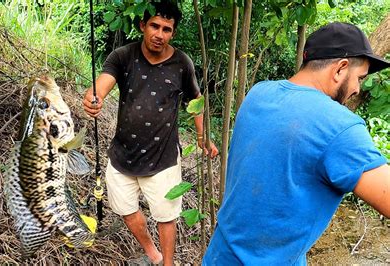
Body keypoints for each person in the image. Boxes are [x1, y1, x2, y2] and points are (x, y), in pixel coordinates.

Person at [203, 22, 390, 265]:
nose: (356, 89)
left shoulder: (258, 93)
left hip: (219, 257)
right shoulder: (339, 125)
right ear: (340, 69)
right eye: (360, 78)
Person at [83, 1, 219, 265]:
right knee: (125, 209)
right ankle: (151, 252)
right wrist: (93, 98)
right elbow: (102, 85)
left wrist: (202, 137)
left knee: (166, 216)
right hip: (123, 154)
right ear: (142, 25)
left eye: (167, 29)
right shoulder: (123, 56)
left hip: (163, 157)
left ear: (173, 33)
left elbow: (196, 101)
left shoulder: (182, 63)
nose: (159, 34)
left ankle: (167, 263)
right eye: (154, 26)